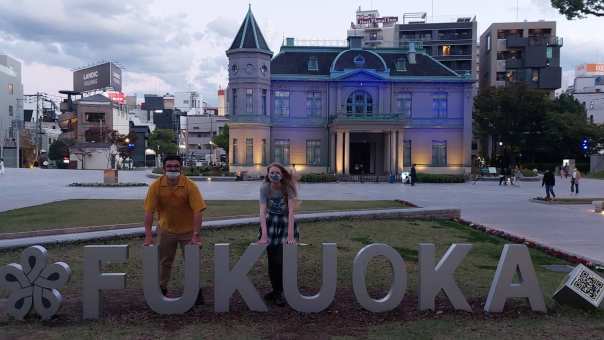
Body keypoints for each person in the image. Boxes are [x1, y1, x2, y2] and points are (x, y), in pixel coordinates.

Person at [143, 154, 207, 302]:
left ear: (181, 168)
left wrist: (196, 235)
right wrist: (148, 235)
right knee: (164, 261)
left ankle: (195, 291)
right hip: (166, 230)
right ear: (164, 169)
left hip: (188, 231)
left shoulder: (190, 185)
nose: (173, 169)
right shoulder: (156, 186)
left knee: (192, 261)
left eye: (176, 166)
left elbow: (198, 211)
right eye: (169, 166)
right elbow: (149, 211)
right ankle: (161, 288)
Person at [257, 163, 299, 307]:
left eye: (277, 173)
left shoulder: (287, 188)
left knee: (281, 260)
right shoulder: (264, 188)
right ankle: (276, 290)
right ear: (268, 175)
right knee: (272, 260)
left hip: (285, 223)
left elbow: (292, 212)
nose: (274, 175)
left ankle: (281, 291)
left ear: (282, 175)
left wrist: (290, 235)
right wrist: (263, 234)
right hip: (270, 223)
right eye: (271, 173)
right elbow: (262, 212)